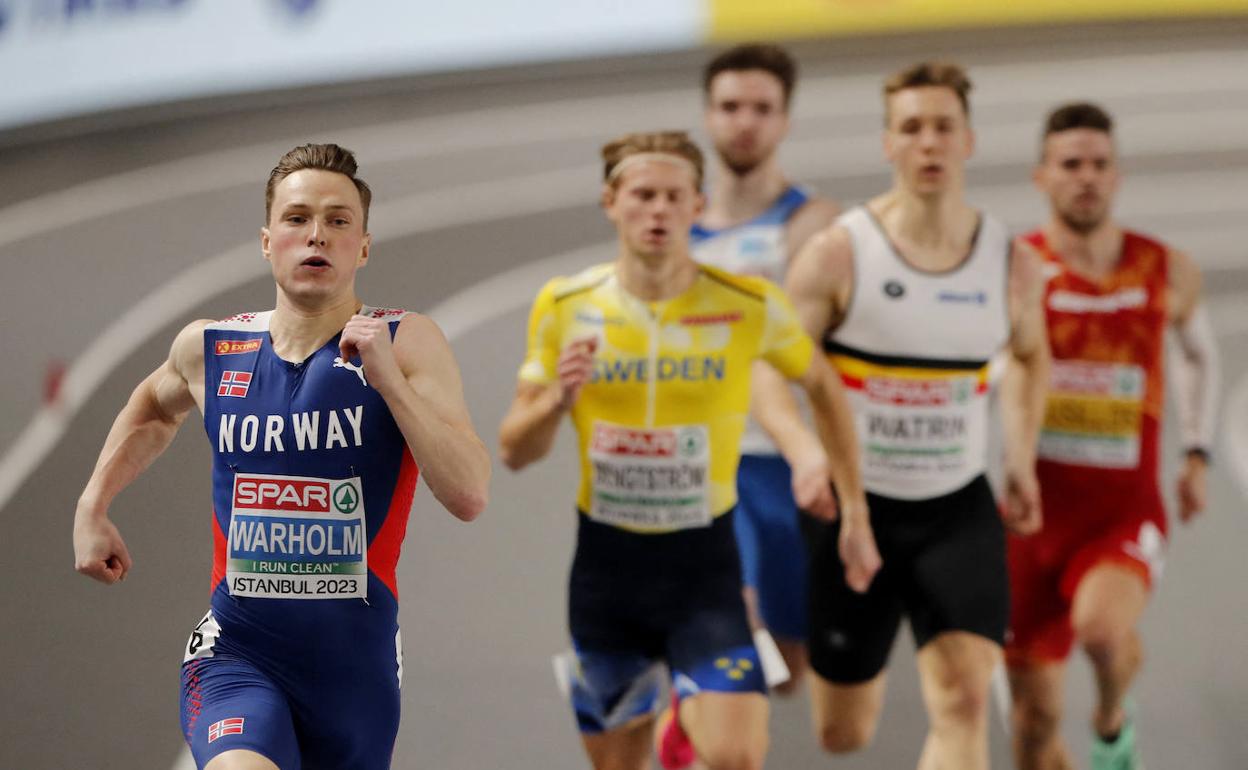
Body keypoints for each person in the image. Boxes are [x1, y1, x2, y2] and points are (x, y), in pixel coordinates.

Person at [72, 143, 491, 770]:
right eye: (297, 219)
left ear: (364, 247)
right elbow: (154, 409)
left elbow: (468, 495)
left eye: (338, 220)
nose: (316, 234)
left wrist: (392, 386)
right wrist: (92, 505)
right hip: (236, 655)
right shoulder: (211, 347)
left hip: (355, 672)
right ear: (268, 241)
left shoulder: (406, 342)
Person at [498, 130, 872, 770]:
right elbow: (513, 450)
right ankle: (670, 734)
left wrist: (852, 502)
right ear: (611, 202)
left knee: (735, 755)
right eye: (643, 195)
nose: (658, 211)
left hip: (706, 573)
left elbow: (822, 384)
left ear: (698, 207)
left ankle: (690, 731)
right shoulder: (565, 305)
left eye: (675, 197)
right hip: (607, 574)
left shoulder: (746, 305)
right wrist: (557, 401)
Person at [764, 61, 1049, 769]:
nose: (929, 143)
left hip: (955, 507)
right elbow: (766, 367)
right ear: (888, 143)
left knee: (964, 698)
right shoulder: (837, 257)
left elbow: (1033, 358)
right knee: (844, 732)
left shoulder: (1008, 262)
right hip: (853, 511)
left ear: (969, 141)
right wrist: (804, 451)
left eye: (943, 127)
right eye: (912, 128)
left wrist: (1019, 457)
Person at [1005, 102, 1219, 770]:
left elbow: (1200, 356)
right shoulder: (1016, 270)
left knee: (1101, 631)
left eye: (1100, 164)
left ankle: (1109, 720)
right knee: (1033, 724)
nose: (1087, 178)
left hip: (1121, 512)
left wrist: (1196, 454)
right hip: (1029, 519)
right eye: (1071, 164)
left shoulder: (1165, 268)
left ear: (1117, 175)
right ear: (1043, 176)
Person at [691, 42, 842, 694]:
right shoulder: (673, 223)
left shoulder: (812, 225)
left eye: (761, 108)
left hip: (783, 466)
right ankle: (687, 721)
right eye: (730, 106)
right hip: (696, 461)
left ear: (784, 120)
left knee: (785, 673)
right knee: (724, 630)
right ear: (708, 115)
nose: (744, 121)